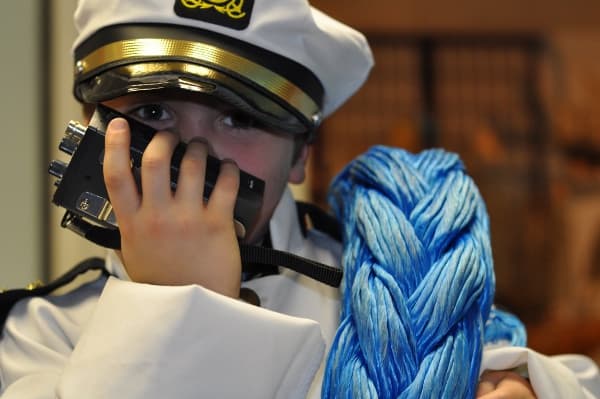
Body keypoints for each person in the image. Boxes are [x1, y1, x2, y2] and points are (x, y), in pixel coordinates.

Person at [0, 0, 598, 397]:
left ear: (300, 156)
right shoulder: (36, 334)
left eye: (238, 119)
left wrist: (524, 382)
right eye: (153, 112)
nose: (192, 154)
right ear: (94, 126)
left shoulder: (395, 286)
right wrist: (176, 307)